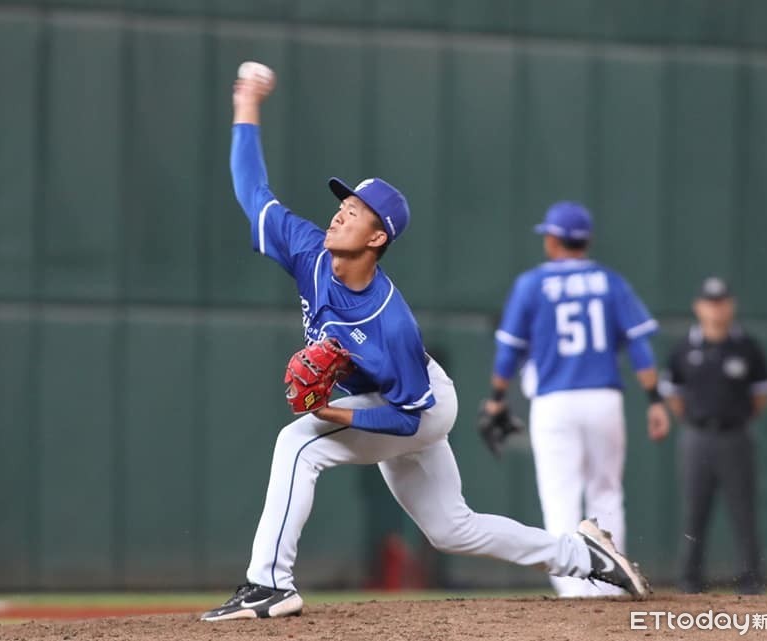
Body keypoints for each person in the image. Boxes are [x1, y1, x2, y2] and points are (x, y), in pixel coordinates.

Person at [199, 69, 651, 622]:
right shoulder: (307, 251)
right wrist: (246, 104)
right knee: (453, 528)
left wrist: (330, 411)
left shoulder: (391, 322)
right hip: (390, 398)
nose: (339, 212)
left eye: (354, 211)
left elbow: (409, 418)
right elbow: (253, 193)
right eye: (341, 204)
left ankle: (270, 583)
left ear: (377, 237)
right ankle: (586, 557)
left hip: (419, 404)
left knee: (298, 444)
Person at [480, 201, 670, 598]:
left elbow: (508, 352)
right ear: (587, 240)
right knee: (606, 491)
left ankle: (574, 590)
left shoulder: (532, 284)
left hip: (555, 402)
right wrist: (654, 399)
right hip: (604, 398)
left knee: (560, 495)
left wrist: (497, 398)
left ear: (553, 240)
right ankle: (613, 587)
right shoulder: (610, 282)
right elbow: (639, 347)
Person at [659, 277, 767, 595]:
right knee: (694, 512)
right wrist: (692, 419)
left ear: (731, 306)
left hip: (735, 436)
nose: (716, 309)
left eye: (721, 302)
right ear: (698, 307)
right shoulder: (685, 347)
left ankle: (750, 583)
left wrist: (738, 417)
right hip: (697, 437)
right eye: (710, 303)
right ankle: (690, 582)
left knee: (743, 512)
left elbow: (762, 393)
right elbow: (672, 392)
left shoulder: (746, 347)